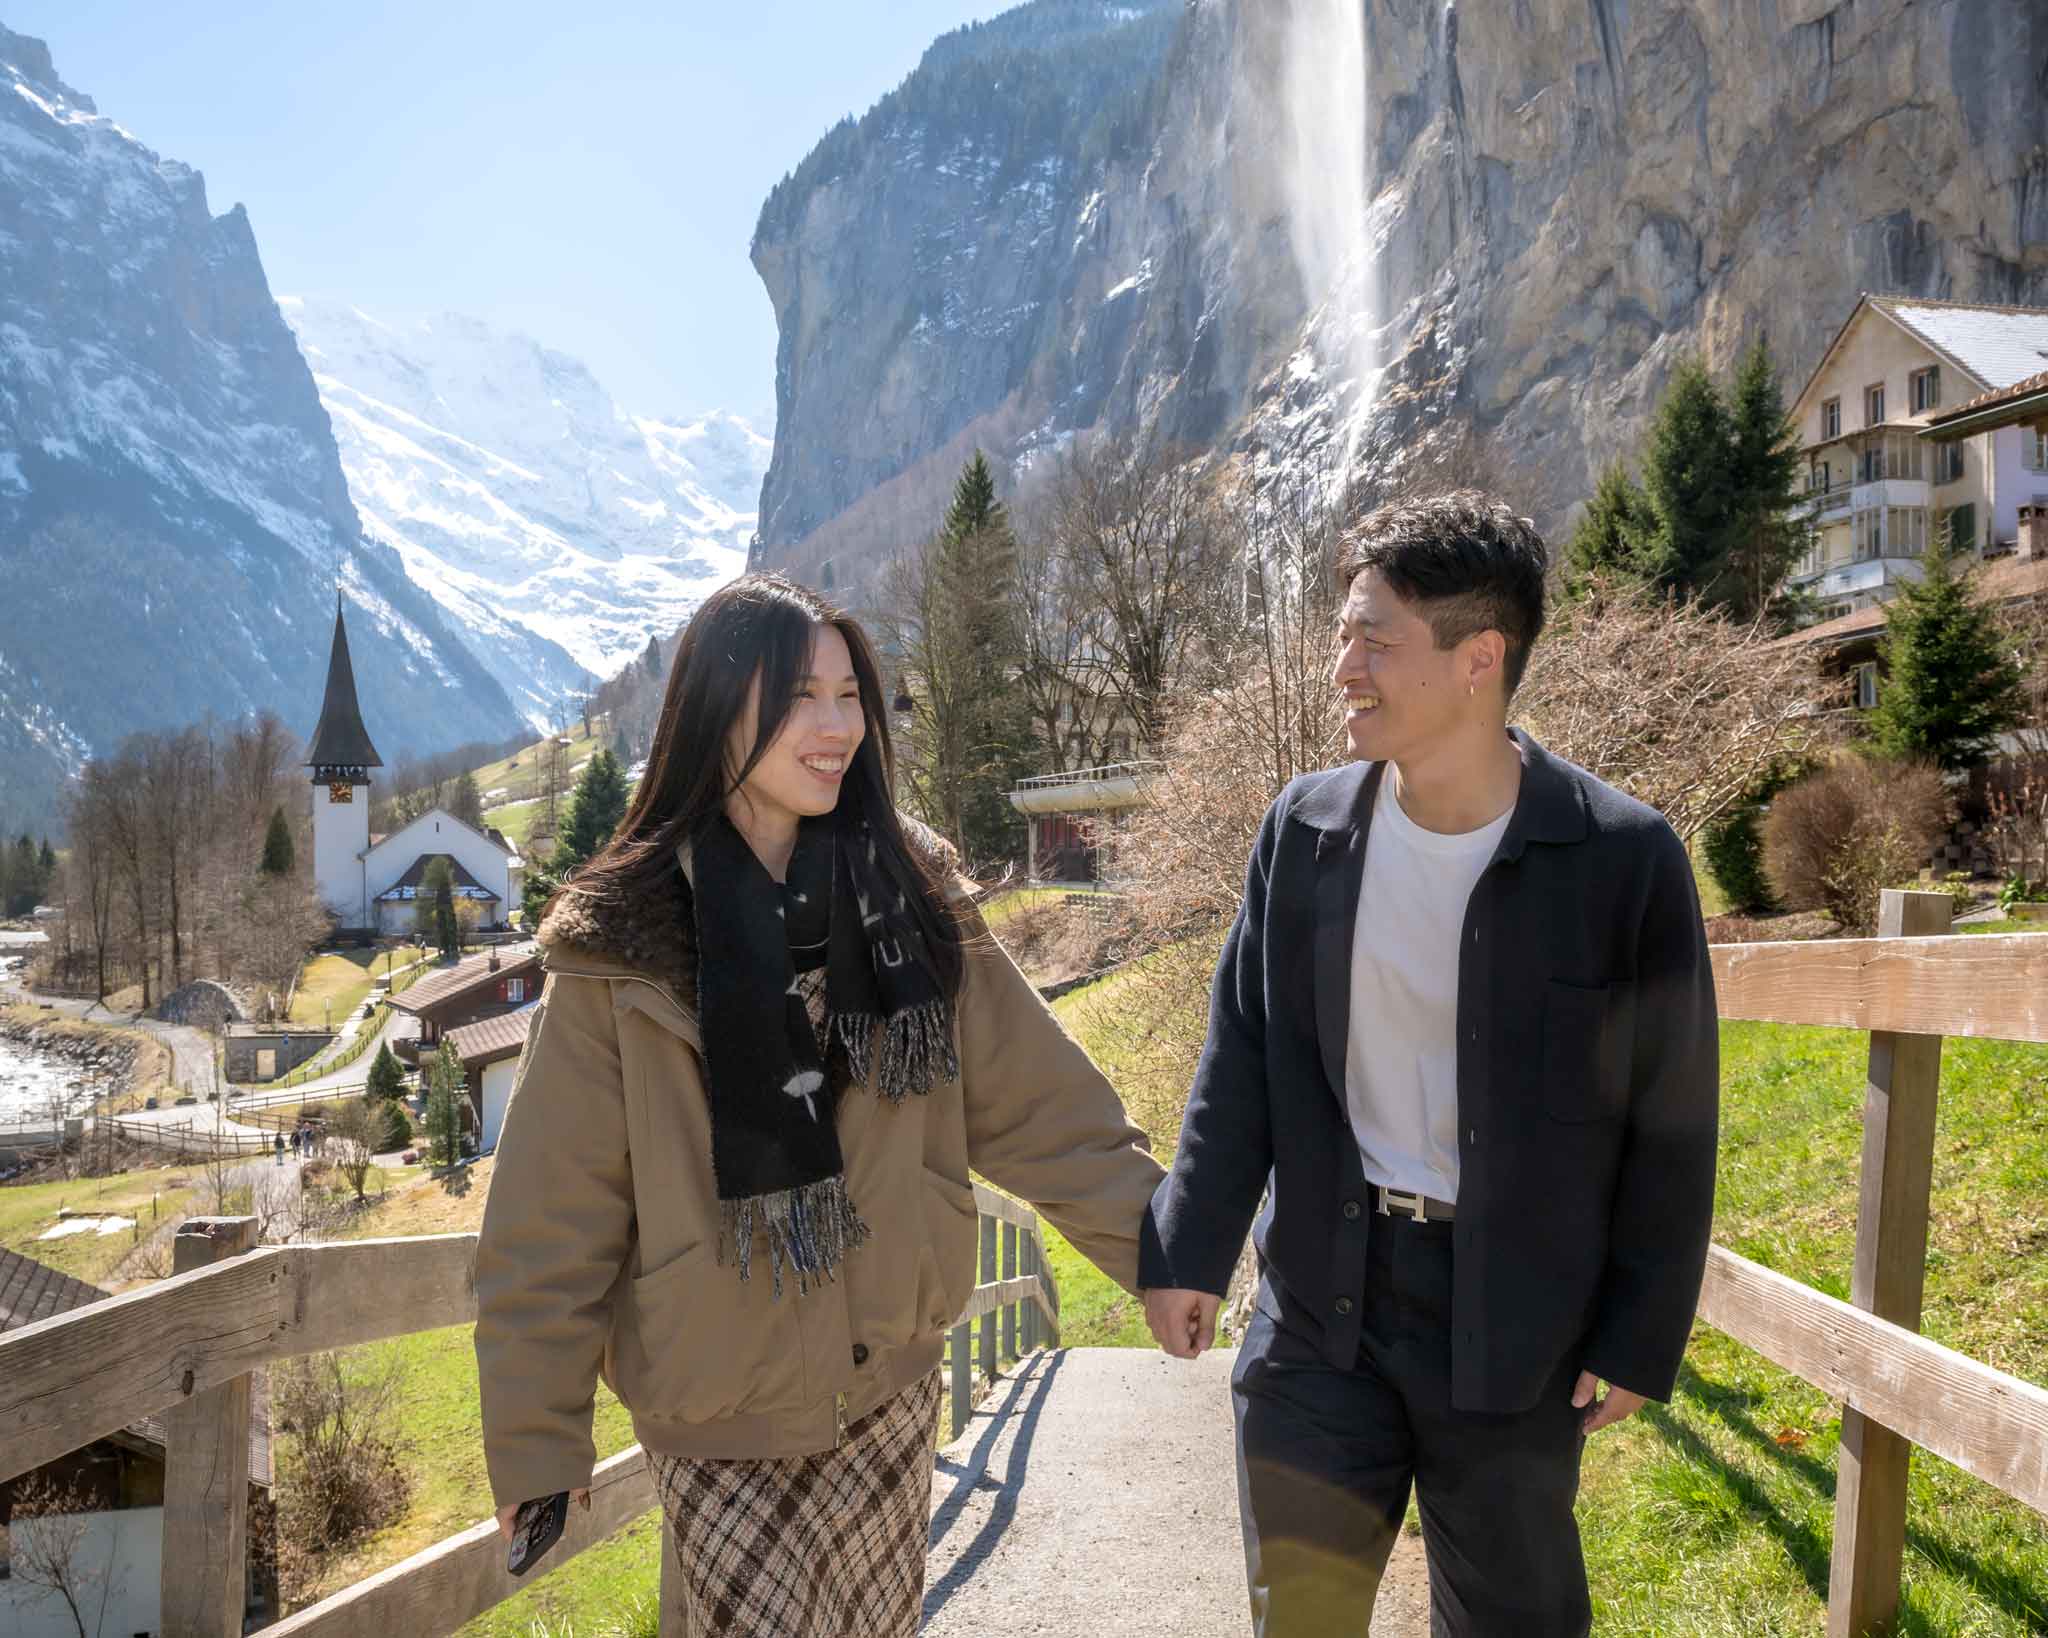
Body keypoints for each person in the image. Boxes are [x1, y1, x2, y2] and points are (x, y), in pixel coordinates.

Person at [474, 573, 1163, 1636]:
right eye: (801, 696)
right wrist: (535, 1438)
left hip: (886, 1386)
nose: (837, 725)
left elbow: (1041, 1107)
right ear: (715, 712)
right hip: (719, 1418)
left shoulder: (914, 895)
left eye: (850, 696)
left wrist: (1162, 1253)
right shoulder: (621, 943)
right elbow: (551, 1214)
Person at [1139, 493, 1719, 1635]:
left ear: (1477, 659)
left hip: (1513, 1330)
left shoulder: (1620, 860)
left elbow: (1672, 1122)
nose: (1340, 667)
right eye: (1342, 634)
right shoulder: (1299, 831)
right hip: (1319, 1308)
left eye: (1374, 639)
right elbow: (1240, 1055)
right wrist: (1186, 1246)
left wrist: (1637, 1332)